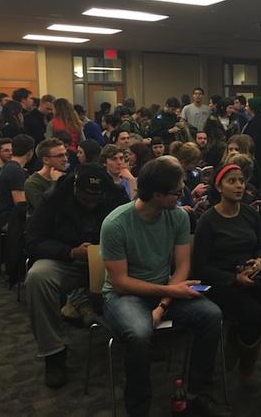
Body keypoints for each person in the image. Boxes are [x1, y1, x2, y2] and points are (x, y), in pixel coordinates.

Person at [100, 157, 230, 416]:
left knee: (212, 315)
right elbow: (121, 282)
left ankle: (197, 393)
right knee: (138, 334)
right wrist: (170, 293)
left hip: (164, 290)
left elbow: (182, 266)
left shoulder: (177, 216)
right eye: (177, 192)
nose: (183, 196)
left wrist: (163, 304)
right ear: (157, 195)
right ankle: (138, 407)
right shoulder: (116, 224)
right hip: (124, 296)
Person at [193, 164, 261, 376]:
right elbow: (200, 267)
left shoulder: (249, 215)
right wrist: (234, 278)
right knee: (254, 316)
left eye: (241, 181)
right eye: (231, 181)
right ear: (219, 186)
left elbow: (260, 244)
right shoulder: (208, 221)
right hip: (221, 282)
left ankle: (243, 336)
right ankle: (247, 356)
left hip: (251, 275)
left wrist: (260, 260)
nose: (238, 186)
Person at [25, 163, 128, 387]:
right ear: (75, 188)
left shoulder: (116, 195)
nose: (91, 203)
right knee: (37, 278)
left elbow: (132, 230)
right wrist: (69, 252)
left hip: (110, 258)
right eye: (85, 198)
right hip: (67, 258)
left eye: (96, 198)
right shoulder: (54, 198)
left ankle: (141, 333)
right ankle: (53, 353)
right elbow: (33, 240)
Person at [0, 134, 35, 229]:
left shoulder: (9, 167)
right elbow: (20, 205)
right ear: (30, 152)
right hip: (9, 222)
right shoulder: (16, 171)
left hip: (6, 218)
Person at [24, 138, 67, 218]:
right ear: (46, 160)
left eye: (65, 154)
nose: (65, 159)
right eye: (60, 156)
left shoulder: (65, 177)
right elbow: (42, 208)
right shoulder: (32, 183)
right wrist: (55, 183)